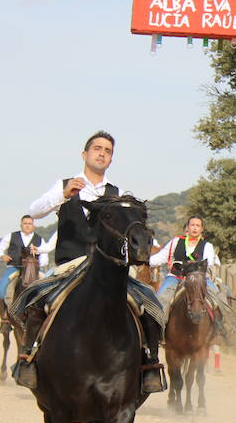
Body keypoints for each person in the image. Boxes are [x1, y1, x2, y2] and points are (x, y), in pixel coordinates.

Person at [15, 130, 165, 394]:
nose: (102, 153)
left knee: (150, 304)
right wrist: (63, 193)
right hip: (70, 264)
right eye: (97, 148)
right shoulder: (65, 184)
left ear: (111, 160)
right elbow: (35, 210)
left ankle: (149, 364)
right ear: (85, 154)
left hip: (107, 270)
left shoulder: (116, 194)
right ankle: (28, 358)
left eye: (107, 151)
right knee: (37, 299)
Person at [0, 215, 49, 308]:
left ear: (33, 226)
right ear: (21, 225)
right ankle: (4, 318)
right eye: (25, 223)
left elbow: (45, 256)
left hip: (34, 270)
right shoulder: (11, 236)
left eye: (29, 224)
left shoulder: (39, 239)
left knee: (47, 287)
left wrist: (37, 264)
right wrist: (2, 256)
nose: (27, 226)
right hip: (14, 268)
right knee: (1, 291)